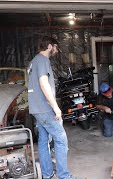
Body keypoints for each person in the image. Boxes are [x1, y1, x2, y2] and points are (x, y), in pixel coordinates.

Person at [27, 36, 77, 179]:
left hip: (36, 109)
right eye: (56, 46)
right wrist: (56, 107)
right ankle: (64, 176)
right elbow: (43, 83)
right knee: (61, 140)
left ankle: (47, 174)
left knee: (43, 141)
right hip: (45, 108)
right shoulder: (43, 60)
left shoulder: (33, 61)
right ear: (49, 46)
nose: (57, 49)